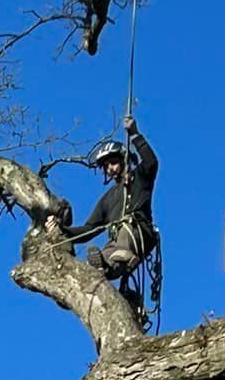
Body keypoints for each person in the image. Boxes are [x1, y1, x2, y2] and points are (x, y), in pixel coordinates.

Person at [63, 115, 159, 299]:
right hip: (117, 243)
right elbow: (89, 229)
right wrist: (63, 232)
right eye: (105, 166)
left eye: (113, 163)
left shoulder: (139, 178)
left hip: (138, 232)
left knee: (123, 233)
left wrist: (135, 135)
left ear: (124, 159)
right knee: (104, 257)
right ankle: (97, 274)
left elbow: (151, 162)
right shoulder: (108, 198)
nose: (110, 169)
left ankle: (117, 259)